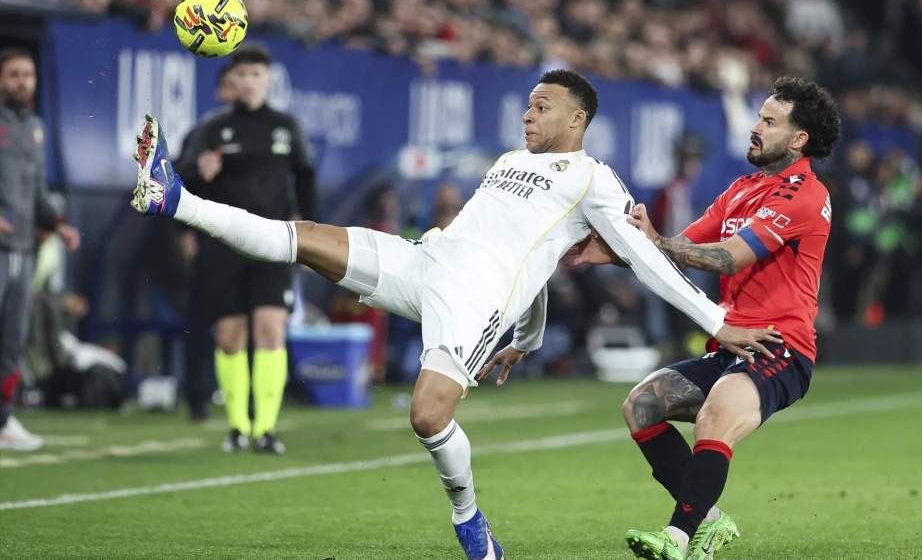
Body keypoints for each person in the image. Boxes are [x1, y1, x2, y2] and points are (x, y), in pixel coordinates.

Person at [130, 69, 780, 560]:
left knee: (426, 414)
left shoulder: (594, 179)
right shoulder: (506, 164)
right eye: (525, 103)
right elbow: (533, 261)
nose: (526, 114)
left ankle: (471, 523)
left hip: (471, 304)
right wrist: (527, 336)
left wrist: (715, 318)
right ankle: (173, 196)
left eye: (541, 106)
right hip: (426, 262)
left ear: (577, 120)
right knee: (301, 237)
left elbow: (644, 258)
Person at [567, 76, 840, 560]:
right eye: (758, 116)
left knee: (715, 412)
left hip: (779, 345)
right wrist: (611, 252)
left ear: (799, 140)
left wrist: (659, 243)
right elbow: (677, 249)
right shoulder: (742, 189)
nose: (755, 127)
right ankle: (709, 522)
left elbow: (728, 257)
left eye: (769, 121)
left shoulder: (803, 195)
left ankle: (677, 539)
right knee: (642, 405)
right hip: (731, 342)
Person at [168, 45, 317, 454]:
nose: (249, 82)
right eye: (242, 75)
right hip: (223, 246)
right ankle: (237, 426)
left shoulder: (286, 127)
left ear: (268, 79)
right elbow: (180, 182)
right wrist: (200, 172)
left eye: (256, 74)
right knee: (231, 337)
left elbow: (305, 181)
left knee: (271, 329)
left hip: (273, 243)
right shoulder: (212, 129)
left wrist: (314, 238)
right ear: (231, 82)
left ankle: (266, 429)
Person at [0, 48, 80, 452]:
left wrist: (58, 225)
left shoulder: (34, 127)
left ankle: (3, 420)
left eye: (28, 74)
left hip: (21, 249)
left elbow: (38, 193)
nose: (22, 81)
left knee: (12, 339)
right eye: (14, 74)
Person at [172, 62, 237, 422]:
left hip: (250, 241)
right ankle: (196, 396)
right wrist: (185, 233)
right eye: (230, 85)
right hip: (210, 240)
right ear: (219, 92)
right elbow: (178, 179)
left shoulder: (266, 131)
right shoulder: (204, 131)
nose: (237, 91)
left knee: (252, 323)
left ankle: (248, 400)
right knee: (199, 322)